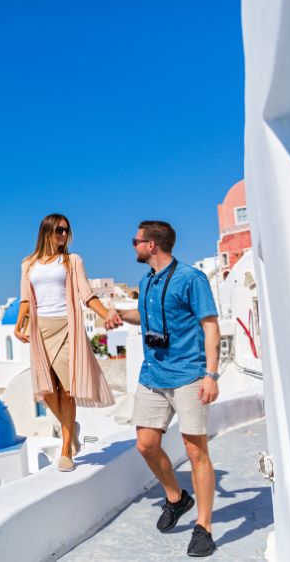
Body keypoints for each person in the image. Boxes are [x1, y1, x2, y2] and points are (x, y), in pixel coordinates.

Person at [112, 220, 221, 558]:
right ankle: (176, 498)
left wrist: (211, 375)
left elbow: (210, 326)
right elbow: (145, 316)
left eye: (136, 241)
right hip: (152, 375)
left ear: (152, 245)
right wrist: (117, 313)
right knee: (146, 445)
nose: (133, 245)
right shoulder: (147, 282)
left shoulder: (191, 279)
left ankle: (204, 527)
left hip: (188, 375)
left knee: (195, 451)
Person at [14, 213, 117, 472]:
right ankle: (69, 426)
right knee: (48, 391)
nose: (63, 235)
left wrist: (106, 314)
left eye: (66, 230)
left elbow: (86, 295)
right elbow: (25, 299)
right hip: (40, 330)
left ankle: (66, 450)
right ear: (46, 231)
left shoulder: (72, 261)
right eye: (59, 230)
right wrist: (19, 324)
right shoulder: (28, 264)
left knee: (67, 390)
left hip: (66, 327)